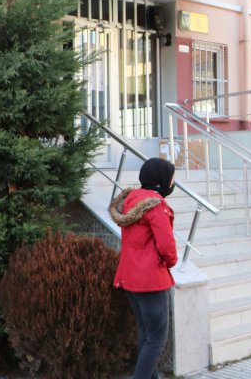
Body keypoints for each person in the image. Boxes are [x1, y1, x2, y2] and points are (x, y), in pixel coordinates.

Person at [109, 158, 178, 379]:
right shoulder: (155, 205)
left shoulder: (132, 201)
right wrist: (171, 262)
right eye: (171, 178)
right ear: (161, 180)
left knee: (147, 336)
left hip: (129, 278)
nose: (173, 182)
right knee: (157, 339)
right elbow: (167, 246)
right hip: (150, 281)